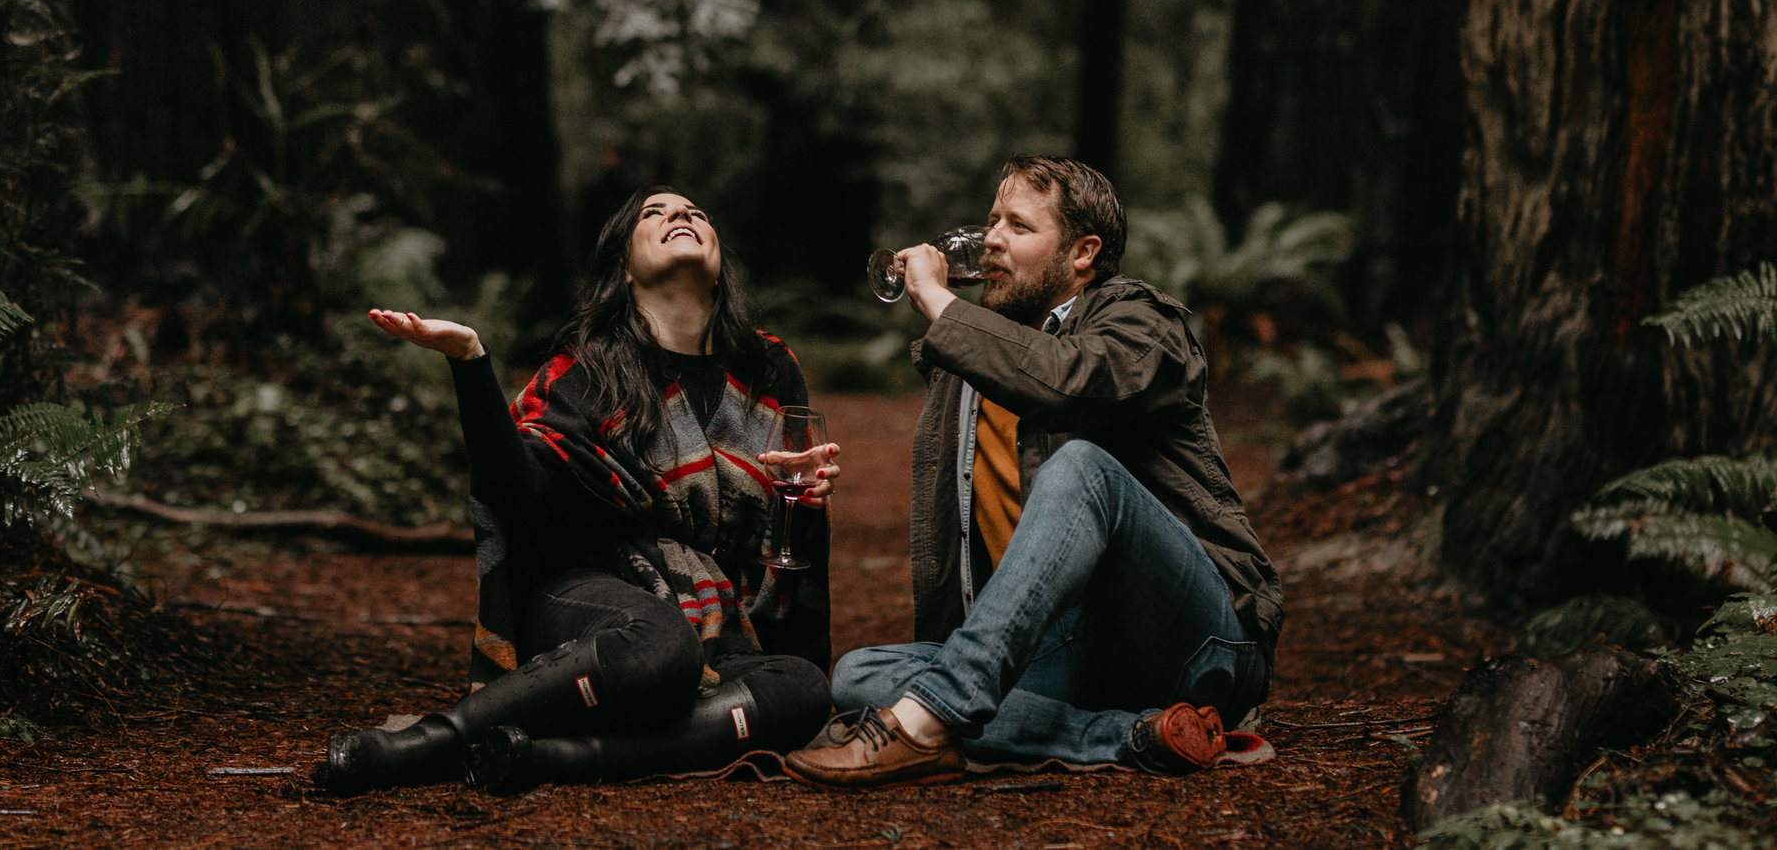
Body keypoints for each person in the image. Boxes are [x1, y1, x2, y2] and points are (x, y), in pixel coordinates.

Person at [312, 188, 838, 795]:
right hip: (587, 592)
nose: (682, 216)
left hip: (722, 617)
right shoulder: (589, 367)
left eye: (697, 212)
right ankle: (428, 742)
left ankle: (551, 758)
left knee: (803, 688)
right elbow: (518, 494)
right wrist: (470, 361)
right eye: (654, 212)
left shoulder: (769, 367)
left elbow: (784, 538)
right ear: (624, 266)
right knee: (662, 646)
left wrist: (804, 505)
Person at [786, 156, 1282, 785]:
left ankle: (925, 724)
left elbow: (1068, 380)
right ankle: (1131, 736)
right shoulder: (968, 361)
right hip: (1074, 653)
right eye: (991, 221)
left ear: (1082, 252)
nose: (991, 239)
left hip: (1196, 638)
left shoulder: (1143, 324)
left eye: (1018, 227)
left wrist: (940, 302)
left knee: (1084, 468)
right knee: (859, 675)